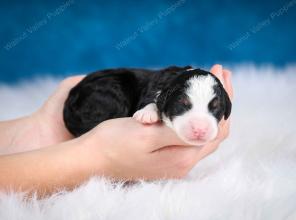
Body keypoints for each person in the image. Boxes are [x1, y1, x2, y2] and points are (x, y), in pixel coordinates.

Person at [0, 64, 233, 196]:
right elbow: (150, 102)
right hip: (102, 93)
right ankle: (84, 133)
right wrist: (97, 156)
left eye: (214, 110)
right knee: (116, 101)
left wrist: (43, 129)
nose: (201, 126)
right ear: (165, 100)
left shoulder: (178, 88)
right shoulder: (162, 93)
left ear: (225, 108)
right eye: (185, 107)